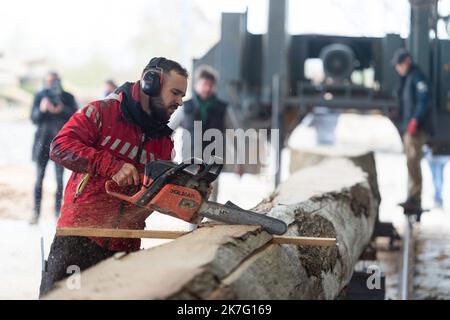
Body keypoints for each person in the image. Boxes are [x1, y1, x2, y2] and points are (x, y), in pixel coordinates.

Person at [39, 57, 188, 297]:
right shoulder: (102, 112)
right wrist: (110, 165)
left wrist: (186, 193)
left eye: (182, 95)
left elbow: (157, 193)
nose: (180, 102)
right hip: (79, 238)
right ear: (151, 83)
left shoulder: (163, 142)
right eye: (176, 93)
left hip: (125, 247)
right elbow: (60, 146)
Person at [171, 65, 228, 201]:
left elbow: (233, 135)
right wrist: (169, 151)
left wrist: (239, 163)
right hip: (190, 162)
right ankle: (192, 223)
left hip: (213, 161)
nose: (207, 88)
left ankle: (209, 222)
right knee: (190, 196)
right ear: (196, 85)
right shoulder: (184, 107)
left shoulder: (223, 109)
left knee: (211, 196)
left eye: (210, 85)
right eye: (204, 84)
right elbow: (169, 130)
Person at [30, 72, 77, 224]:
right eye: (49, 81)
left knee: (59, 180)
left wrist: (61, 109)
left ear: (60, 81)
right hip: (41, 143)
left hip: (59, 144)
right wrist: (42, 109)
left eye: (55, 81)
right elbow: (33, 118)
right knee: (39, 179)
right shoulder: (40, 96)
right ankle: (36, 212)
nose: (52, 84)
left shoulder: (67, 97)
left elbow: (76, 119)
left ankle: (58, 213)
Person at [392, 48, 432, 210]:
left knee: (413, 162)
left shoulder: (417, 77)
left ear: (406, 62)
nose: (397, 68)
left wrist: (415, 120)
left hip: (417, 129)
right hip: (409, 128)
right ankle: (412, 196)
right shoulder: (408, 78)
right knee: (410, 163)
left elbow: (424, 100)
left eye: (399, 65)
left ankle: (415, 198)